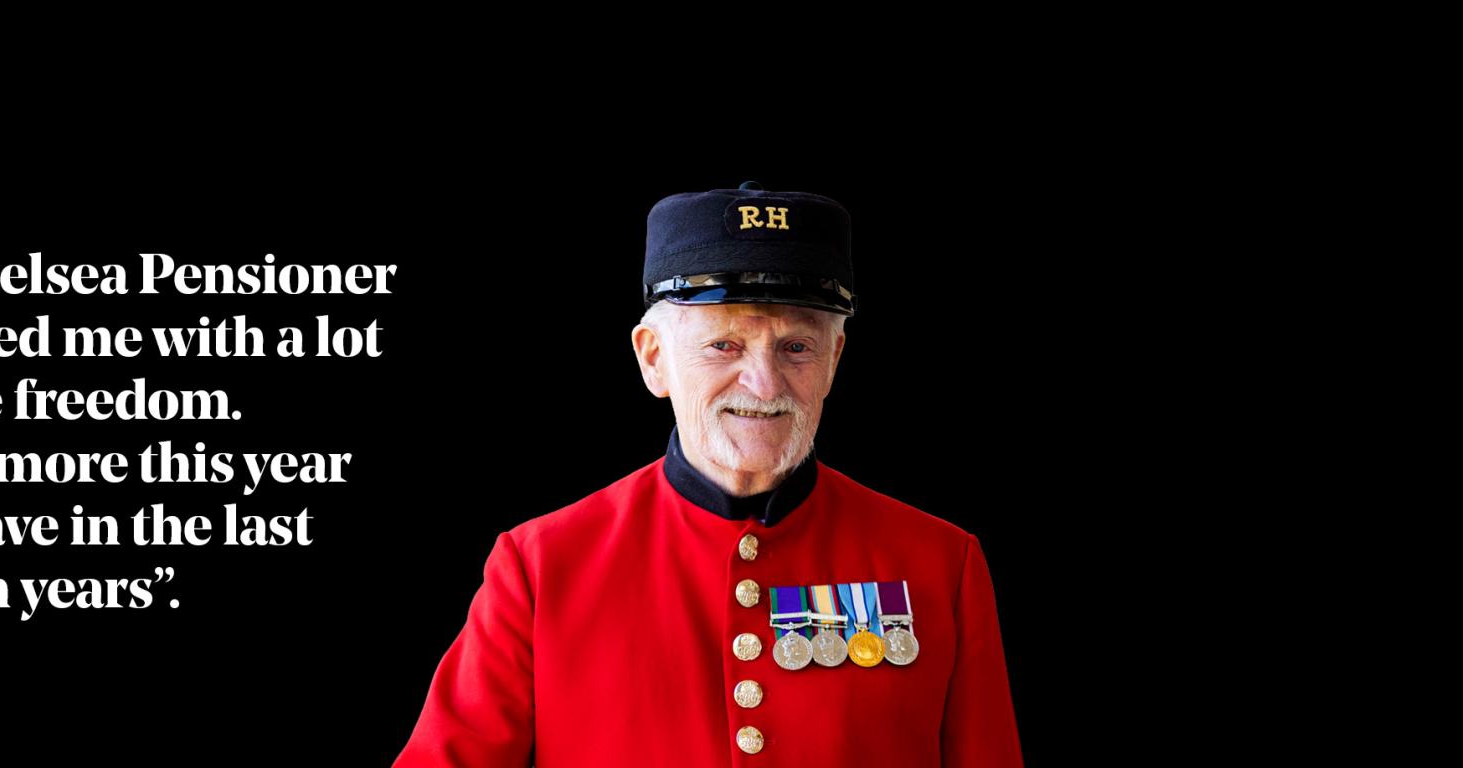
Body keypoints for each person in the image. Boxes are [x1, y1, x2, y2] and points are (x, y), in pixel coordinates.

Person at [395, 182, 1023, 766]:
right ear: (654, 359)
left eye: (796, 347)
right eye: (724, 345)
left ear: (833, 360)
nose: (764, 384)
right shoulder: (540, 566)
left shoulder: (942, 564)